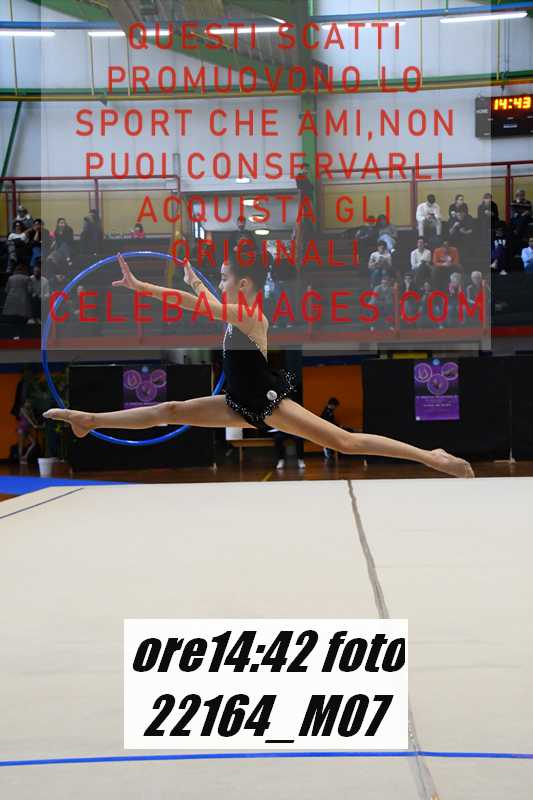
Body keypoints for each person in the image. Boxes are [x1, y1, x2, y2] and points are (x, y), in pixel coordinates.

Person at [44, 252, 475, 478]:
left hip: (266, 402)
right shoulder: (234, 315)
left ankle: (432, 457)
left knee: (344, 441)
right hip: (235, 401)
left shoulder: (251, 316)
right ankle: (89, 419)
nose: (220, 282)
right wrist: (194, 281)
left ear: (244, 283)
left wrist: (143, 287)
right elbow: (208, 303)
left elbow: (199, 306)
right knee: (169, 409)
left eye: (224, 277)